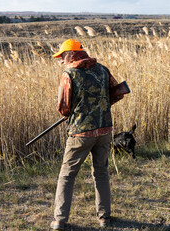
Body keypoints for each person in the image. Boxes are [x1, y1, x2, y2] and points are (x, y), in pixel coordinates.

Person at [50, 39, 124, 230]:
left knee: (67, 175)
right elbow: (117, 93)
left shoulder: (69, 74)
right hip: (105, 129)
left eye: (62, 56)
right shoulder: (102, 70)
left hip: (81, 133)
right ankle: (104, 218)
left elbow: (63, 108)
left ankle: (59, 220)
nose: (60, 61)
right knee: (101, 172)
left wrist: (71, 114)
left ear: (71, 55)